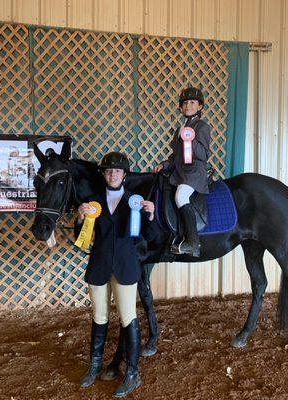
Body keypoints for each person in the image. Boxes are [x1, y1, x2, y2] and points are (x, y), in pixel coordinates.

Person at [75, 151, 158, 397]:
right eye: (109, 171)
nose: (113, 174)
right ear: (104, 174)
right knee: (99, 316)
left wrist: (151, 214)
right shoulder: (93, 202)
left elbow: (150, 236)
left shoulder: (135, 201)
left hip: (125, 266)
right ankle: (94, 366)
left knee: (127, 317)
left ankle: (132, 373)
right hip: (99, 265)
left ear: (124, 175)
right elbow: (81, 241)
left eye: (118, 171)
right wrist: (80, 219)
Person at [154, 87, 211, 257]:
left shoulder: (202, 126)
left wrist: (190, 139)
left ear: (199, 106)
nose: (188, 105)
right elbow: (177, 156)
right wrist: (165, 164)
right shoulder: (181, 127)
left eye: (192, 102)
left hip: (194, 173)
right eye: (185, 103)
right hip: (179, 172)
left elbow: (204, 154)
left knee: (181, 196)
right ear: (180, 107)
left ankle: (193, 243)